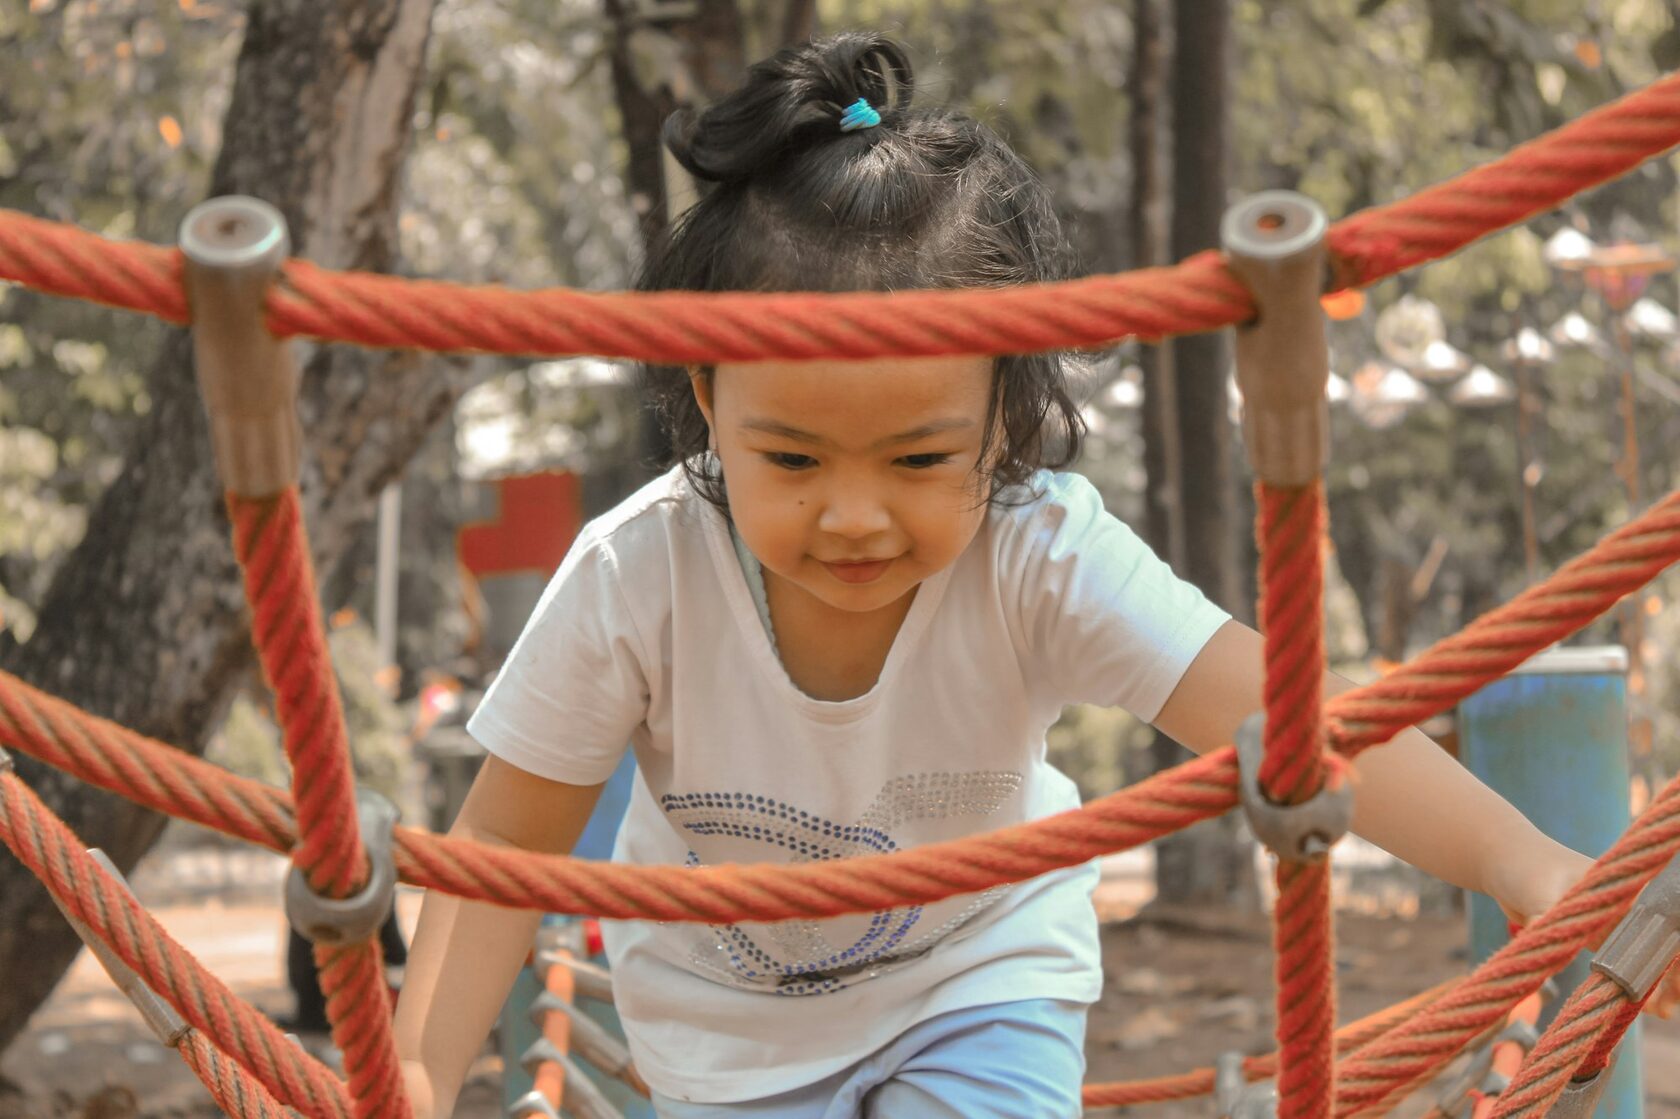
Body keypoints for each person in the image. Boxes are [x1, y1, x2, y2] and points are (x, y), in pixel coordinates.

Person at [393, 32, 1654, 1118]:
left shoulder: (1036, 554)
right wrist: (415, 1080)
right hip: (728, 1039)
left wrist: (1519, 862)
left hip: (977, 983)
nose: (852, 512)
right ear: (704, 399)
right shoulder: (639, 574)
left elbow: (1298, 726)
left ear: (1006, 424)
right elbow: (503, 840)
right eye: (790, 455)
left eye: (917, 455)